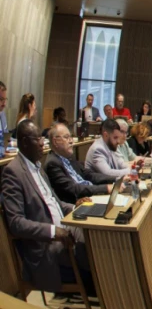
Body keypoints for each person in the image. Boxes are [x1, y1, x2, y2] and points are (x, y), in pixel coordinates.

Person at [0, 120, 94, 296]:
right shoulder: (13, 173)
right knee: (92, 249)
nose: (43, 143)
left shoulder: (37, 167)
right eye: (38, 139)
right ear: (25, 142)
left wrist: (75, 206)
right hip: (46, 247)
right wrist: (54, 231)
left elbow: (55, 204)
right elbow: (16, 223)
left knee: (97, 237)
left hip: (65, 230)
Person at [44, 122, 112, 204]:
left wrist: (115, 178)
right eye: (66, 137)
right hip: (78, 203)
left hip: (91, 195)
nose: (71, 141)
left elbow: (88, 174)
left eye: (71, 137)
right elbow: (74, 189)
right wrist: (105, 188)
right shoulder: (53, 163)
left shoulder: (68, 156)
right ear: (55, 141)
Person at [85, 118, 132, 183]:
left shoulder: (110, 145)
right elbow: (107, 173)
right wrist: (130, 171)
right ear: (106, 135)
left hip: (112, 186)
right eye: (115, 137)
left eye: (118, 137)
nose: (118, 141)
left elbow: (120, 164)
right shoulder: (98, 149)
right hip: (100, 189)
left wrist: (133, 168)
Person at [0, 81, 7, 156]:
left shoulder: (2, 115)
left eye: (5, 99)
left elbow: (5, 138)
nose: (4, 103)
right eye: (1, 99)